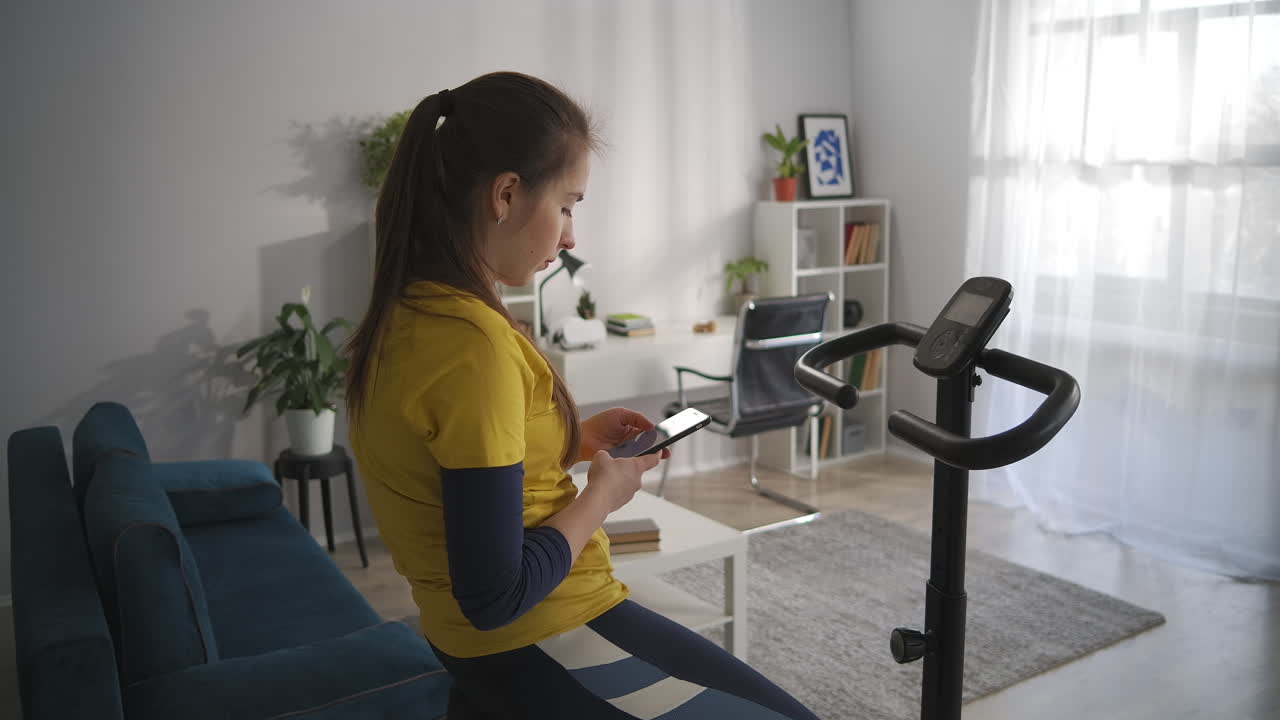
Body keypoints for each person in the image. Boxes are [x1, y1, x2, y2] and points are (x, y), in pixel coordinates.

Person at [343, 71, 819, 720]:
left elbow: (451, 466)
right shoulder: (471, 344)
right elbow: (494, 596)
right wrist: (604, 493)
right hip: (537, 636)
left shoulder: (413, 312)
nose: (570, 237)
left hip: (488, 641)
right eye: (567, 205)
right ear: (506, 194)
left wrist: (571, 441)